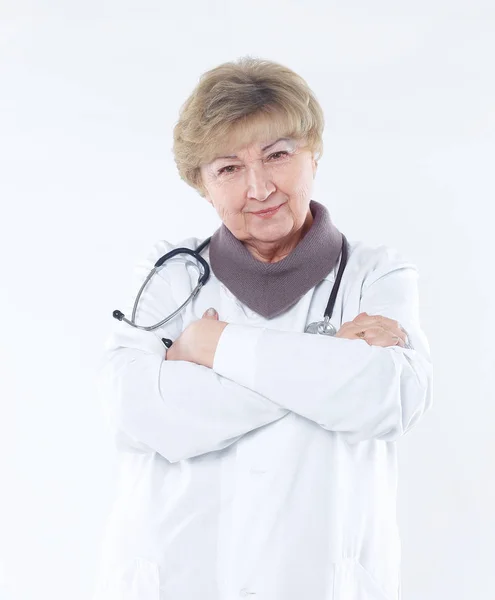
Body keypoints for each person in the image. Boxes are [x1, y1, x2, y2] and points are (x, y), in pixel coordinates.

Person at [92, 56, 433, 600]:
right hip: (179, 579)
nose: (259, 187)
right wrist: (323, 360)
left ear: (313, 155)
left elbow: (388, 399)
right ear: (202, 185)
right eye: (228, 168)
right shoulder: (169, 275)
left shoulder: (378, 274)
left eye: (277, 155)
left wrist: (212, 345)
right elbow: (135, 413)